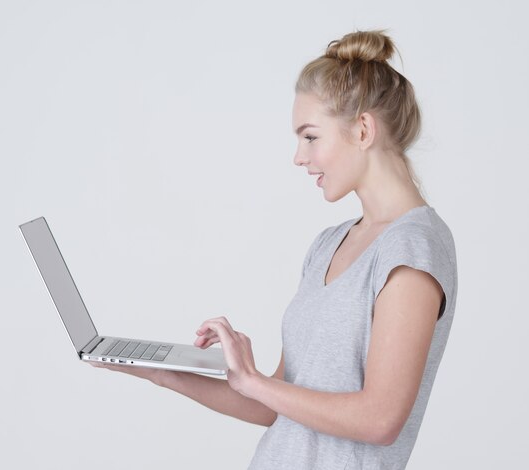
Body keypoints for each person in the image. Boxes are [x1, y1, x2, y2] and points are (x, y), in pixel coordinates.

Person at [91, 29, 458, 470]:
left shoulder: (413, 248)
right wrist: (161, 371)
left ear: (362, 130)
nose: (298, 157)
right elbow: (272, 405)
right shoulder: (328, 244)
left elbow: (380, 420)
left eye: (310, 137)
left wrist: (253, 382)